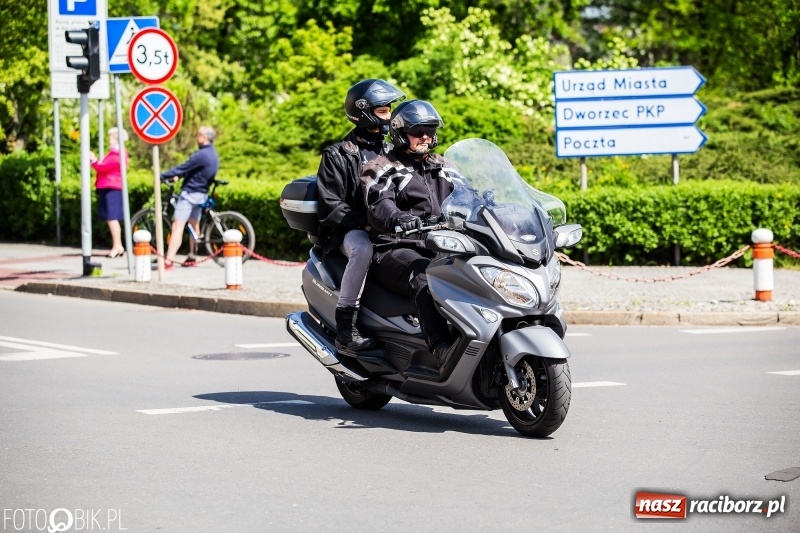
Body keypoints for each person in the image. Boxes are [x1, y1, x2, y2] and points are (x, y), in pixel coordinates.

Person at [361, 100, 461, 368]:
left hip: (442, 245)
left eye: (430, 130)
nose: (425, 136)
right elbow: (378, 204)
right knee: (425, 277)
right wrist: (399, 217)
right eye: (418, 131)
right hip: (396, 247)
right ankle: (441, 348)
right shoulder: (382, 167)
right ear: (400, 133)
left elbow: (469, 196)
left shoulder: (446, 166)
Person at [317, 79, 406, 352]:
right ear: (364, 112)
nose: (389, 116)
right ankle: (346, 326)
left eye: (390, 110)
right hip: (348, 230)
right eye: (383, 111)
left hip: (388, 226)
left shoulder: (393, 151)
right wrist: (366, 222)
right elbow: (330, 205)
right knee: (363, 248)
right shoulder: (337, 155)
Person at [160, 126, 220, 269]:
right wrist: (180, 176)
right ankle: (192, 257)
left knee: (177, 227)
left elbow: (183, 167)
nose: (196, 138)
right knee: (194, 225)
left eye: (198, 135)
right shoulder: (213, 154)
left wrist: (161, 176)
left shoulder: (201, 154)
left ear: (203, 137)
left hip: (190, 194)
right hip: (201, 194)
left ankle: (168, 261)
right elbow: (195, 171)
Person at [89, 127, 129, 258]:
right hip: (109, 186)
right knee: (111, 218)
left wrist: (93, 160)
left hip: (112, 187)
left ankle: (117, 246)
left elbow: (102, 167)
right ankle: (118, 245)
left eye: (111, 137)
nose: (109, 140)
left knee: (112, 217)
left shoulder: (117, 155)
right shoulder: (115, 153)